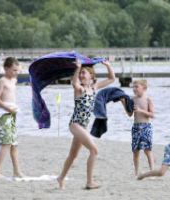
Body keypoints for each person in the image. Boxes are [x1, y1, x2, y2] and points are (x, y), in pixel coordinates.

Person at [57, 59, 115, 189]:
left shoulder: (94, 88)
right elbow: (74, 82)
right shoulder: (80, 89)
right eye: (81, 73)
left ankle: (60, 178)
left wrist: (108, 65)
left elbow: (112, 78)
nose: (82, 75)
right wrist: (78, 68)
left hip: (83, 127)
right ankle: (89, 182)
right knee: (94, 150)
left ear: (91, 76)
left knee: (73, 155)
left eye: (84, 73)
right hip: (75, 124)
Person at [0, 57, 24, 179]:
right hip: (5, 114)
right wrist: (8, 109)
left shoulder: (14, 80)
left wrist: (13, 110)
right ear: (6, 68)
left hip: (13, 114)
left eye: (17, 70)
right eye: (14, 70)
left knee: (14, 144)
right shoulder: (2, 81)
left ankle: (17, 171)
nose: (16, 72)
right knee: (6, 143)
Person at [121, 79, 155, 177]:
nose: (134, 89)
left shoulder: (148, 99)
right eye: (133, 87)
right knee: (135, 151)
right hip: (136, 127)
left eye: (137, 87)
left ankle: (152, 171)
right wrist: (124, 103)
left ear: (144, 88)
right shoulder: (132, 99)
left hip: (146, 127)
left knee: (147, 150)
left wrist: (140, 110)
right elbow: (130, 114)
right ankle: (136, 172)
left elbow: (152, 115)